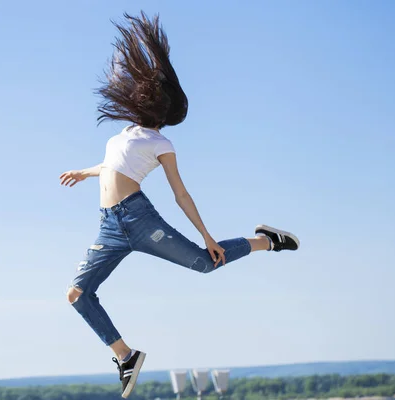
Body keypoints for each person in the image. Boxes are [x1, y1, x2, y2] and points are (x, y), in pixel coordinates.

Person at [60, 11, 300, 399]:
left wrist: (206, 235)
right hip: (109, 225)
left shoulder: (161, 144)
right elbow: (110, 166)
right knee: (76, 294)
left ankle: (265, 241)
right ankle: (125, 356)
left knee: (205, 263)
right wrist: (84, 172)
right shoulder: (123, 135)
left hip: (138, 219)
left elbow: (180, 193)